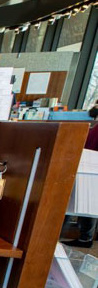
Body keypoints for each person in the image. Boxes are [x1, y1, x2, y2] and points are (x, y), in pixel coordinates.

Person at [63, 101, 98, 248]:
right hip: (88, 163)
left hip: (91, 164)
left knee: (87, 200)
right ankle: (85, 237)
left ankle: (85, 237)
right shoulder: (94, 128)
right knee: (86, 200)